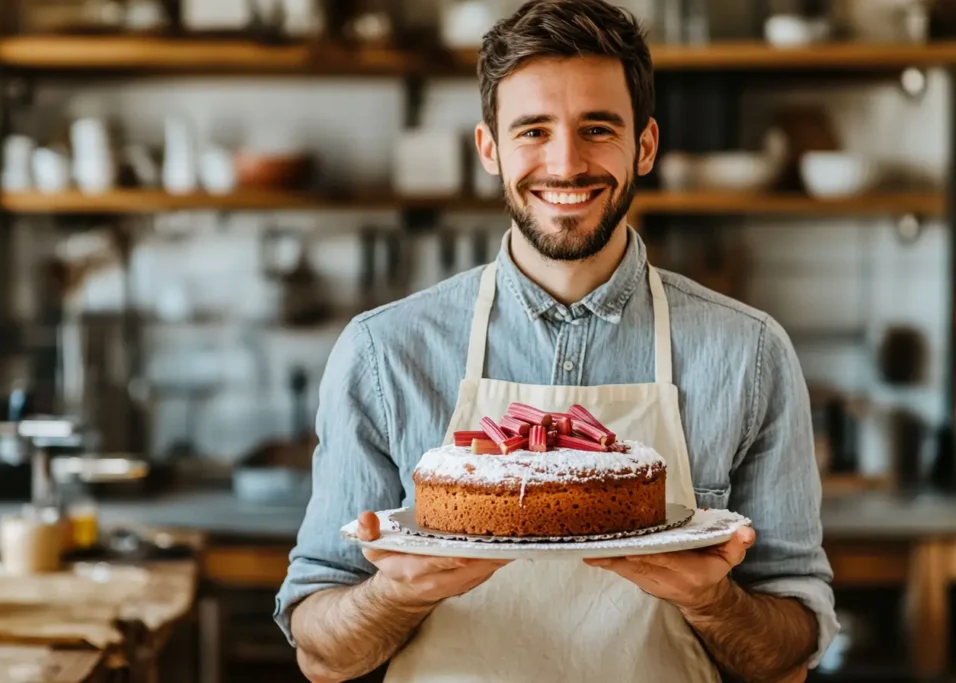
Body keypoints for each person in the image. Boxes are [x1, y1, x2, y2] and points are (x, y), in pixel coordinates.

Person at [273, 1, 839, 681]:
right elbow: (320, 653)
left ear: (646, 145)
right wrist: (397, 591)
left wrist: (710, 598)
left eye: (597, 128)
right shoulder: (384, 354)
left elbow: (790, 653)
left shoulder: (748, 354)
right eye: (533, 130)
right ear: (489, 149)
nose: (566, 164)